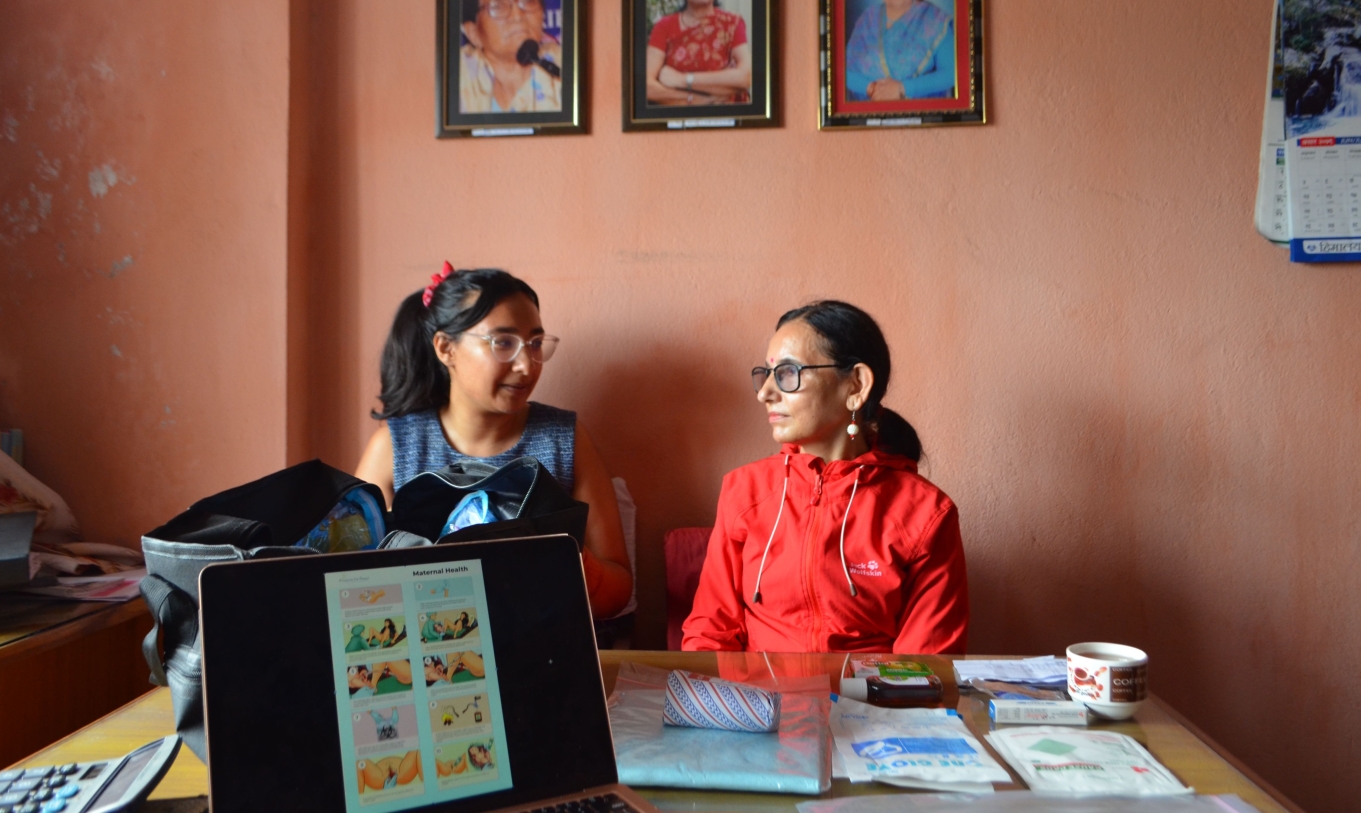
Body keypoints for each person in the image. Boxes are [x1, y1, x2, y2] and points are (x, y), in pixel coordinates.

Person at [681, 300, 969, 654]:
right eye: (767, 374)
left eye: (787, 373)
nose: (764, 393)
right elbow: (710, 632)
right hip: (760, 705)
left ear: (855, 385)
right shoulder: (744, 491)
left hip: (872, 706)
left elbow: (925, 665)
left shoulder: (927, 514)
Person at [354, 264, 633, 619]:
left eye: (534, 344)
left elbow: (619, 590)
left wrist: (569, 559)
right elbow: (354, 584)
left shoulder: (564, 439)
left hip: (539, 653)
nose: (526, 366)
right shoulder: (396, 448)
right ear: (445, 348)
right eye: (503, 342)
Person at [844, 0, 956, 102]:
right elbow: (843, 72)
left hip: (922, 118)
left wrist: (903, 88)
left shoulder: (933, 20)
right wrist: (872, 89)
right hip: (869, 117)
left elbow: (951, 74)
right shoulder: (867, 19)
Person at [645, 0, 752, 106]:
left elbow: (745, 77)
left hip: (728, 120)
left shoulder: (731, 23)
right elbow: (647, 87)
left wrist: (682, 80)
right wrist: (698, 100)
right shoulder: (664, 26)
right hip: (680, 124)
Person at [459, 0, 562, 113]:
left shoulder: (563, 67)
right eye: (498, 6)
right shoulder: (458, 75)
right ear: (474, 33)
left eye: (528, 0)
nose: (517, 15)